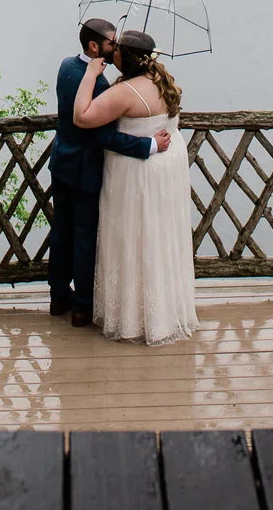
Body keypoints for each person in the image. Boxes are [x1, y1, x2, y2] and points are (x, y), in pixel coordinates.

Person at [72, 28, 199, 345]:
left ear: (124, 59)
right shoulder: (163, 81)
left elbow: (82, 117)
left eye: (114, 51)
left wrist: (89, 75)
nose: (109, 53)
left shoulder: (125, 92)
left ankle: (133, 318)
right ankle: (162, 311)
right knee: (159, 237)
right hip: (167, 169)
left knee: (134, 237)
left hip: (138, 174)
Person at [49, 19, 171, 326]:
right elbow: (104, 137)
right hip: (87, 170)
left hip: (61, 162)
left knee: (61, 232)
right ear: (94, 47)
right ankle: (82, 307)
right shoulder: (101, 86)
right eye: (111, 43)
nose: (115, 47)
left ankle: (57, 296)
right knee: (85, 238)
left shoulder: (66, 66)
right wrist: (149, 145)